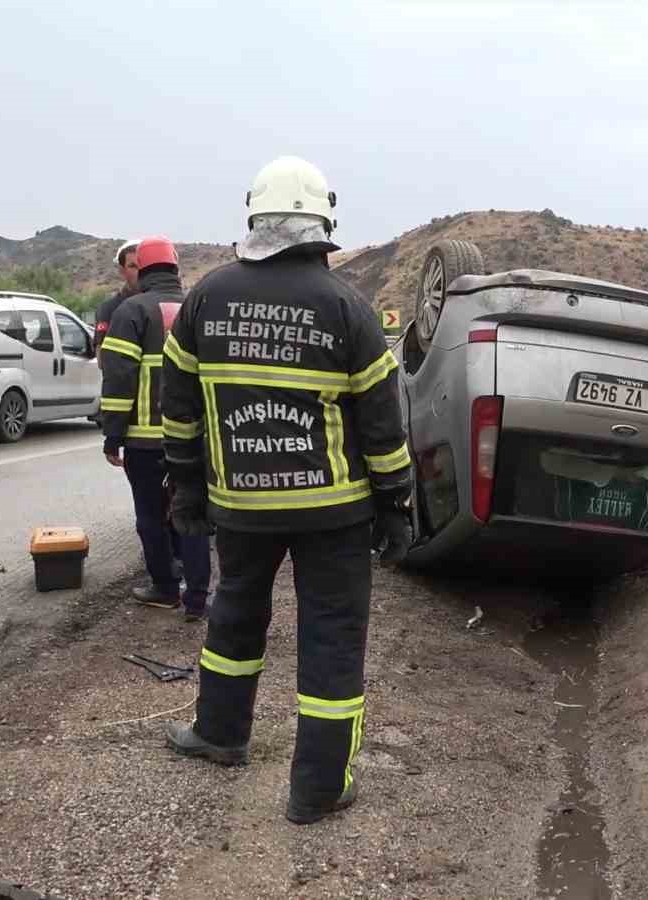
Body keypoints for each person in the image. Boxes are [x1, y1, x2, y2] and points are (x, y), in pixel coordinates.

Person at [158, 155, 413, 825]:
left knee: (234, 613)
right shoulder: (348, 307)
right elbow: (383, 425)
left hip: (240, 508)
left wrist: (186, 484)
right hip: (335, 513)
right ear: (322, 223)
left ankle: (220, 733)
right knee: (331, 638)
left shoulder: (206, 298)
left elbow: (177, 407)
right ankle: (317, 789)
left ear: (256, 217)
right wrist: (397, 502)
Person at [98, 236, 212, 620]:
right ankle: (197, 598)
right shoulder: (199, 307)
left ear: (142, 270)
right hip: (195, 438)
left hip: (145, 442)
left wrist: (113, 435)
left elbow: (118, 379)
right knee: (193, 512)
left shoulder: (130, 312)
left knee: (151, 516)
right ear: (176, 269)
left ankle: (164, 588)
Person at [93, 239, 141, 362]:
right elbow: (101, 360)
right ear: (122, 271)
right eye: (133, 266)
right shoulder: (108, 309)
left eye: (143, 266)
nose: (139, 272)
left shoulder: (156, 304)